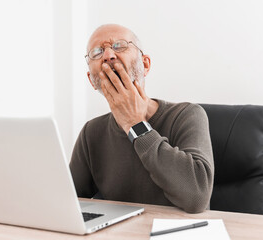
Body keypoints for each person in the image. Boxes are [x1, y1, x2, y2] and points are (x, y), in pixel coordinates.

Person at [70, 24, 214, 213]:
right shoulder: (91, 133)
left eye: (119, 46)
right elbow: (65, 201)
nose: (107, 56)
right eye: (96, 52)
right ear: (91, 80)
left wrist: (135, 125)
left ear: (145, 64)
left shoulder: (187, 115)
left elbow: (196, 198)